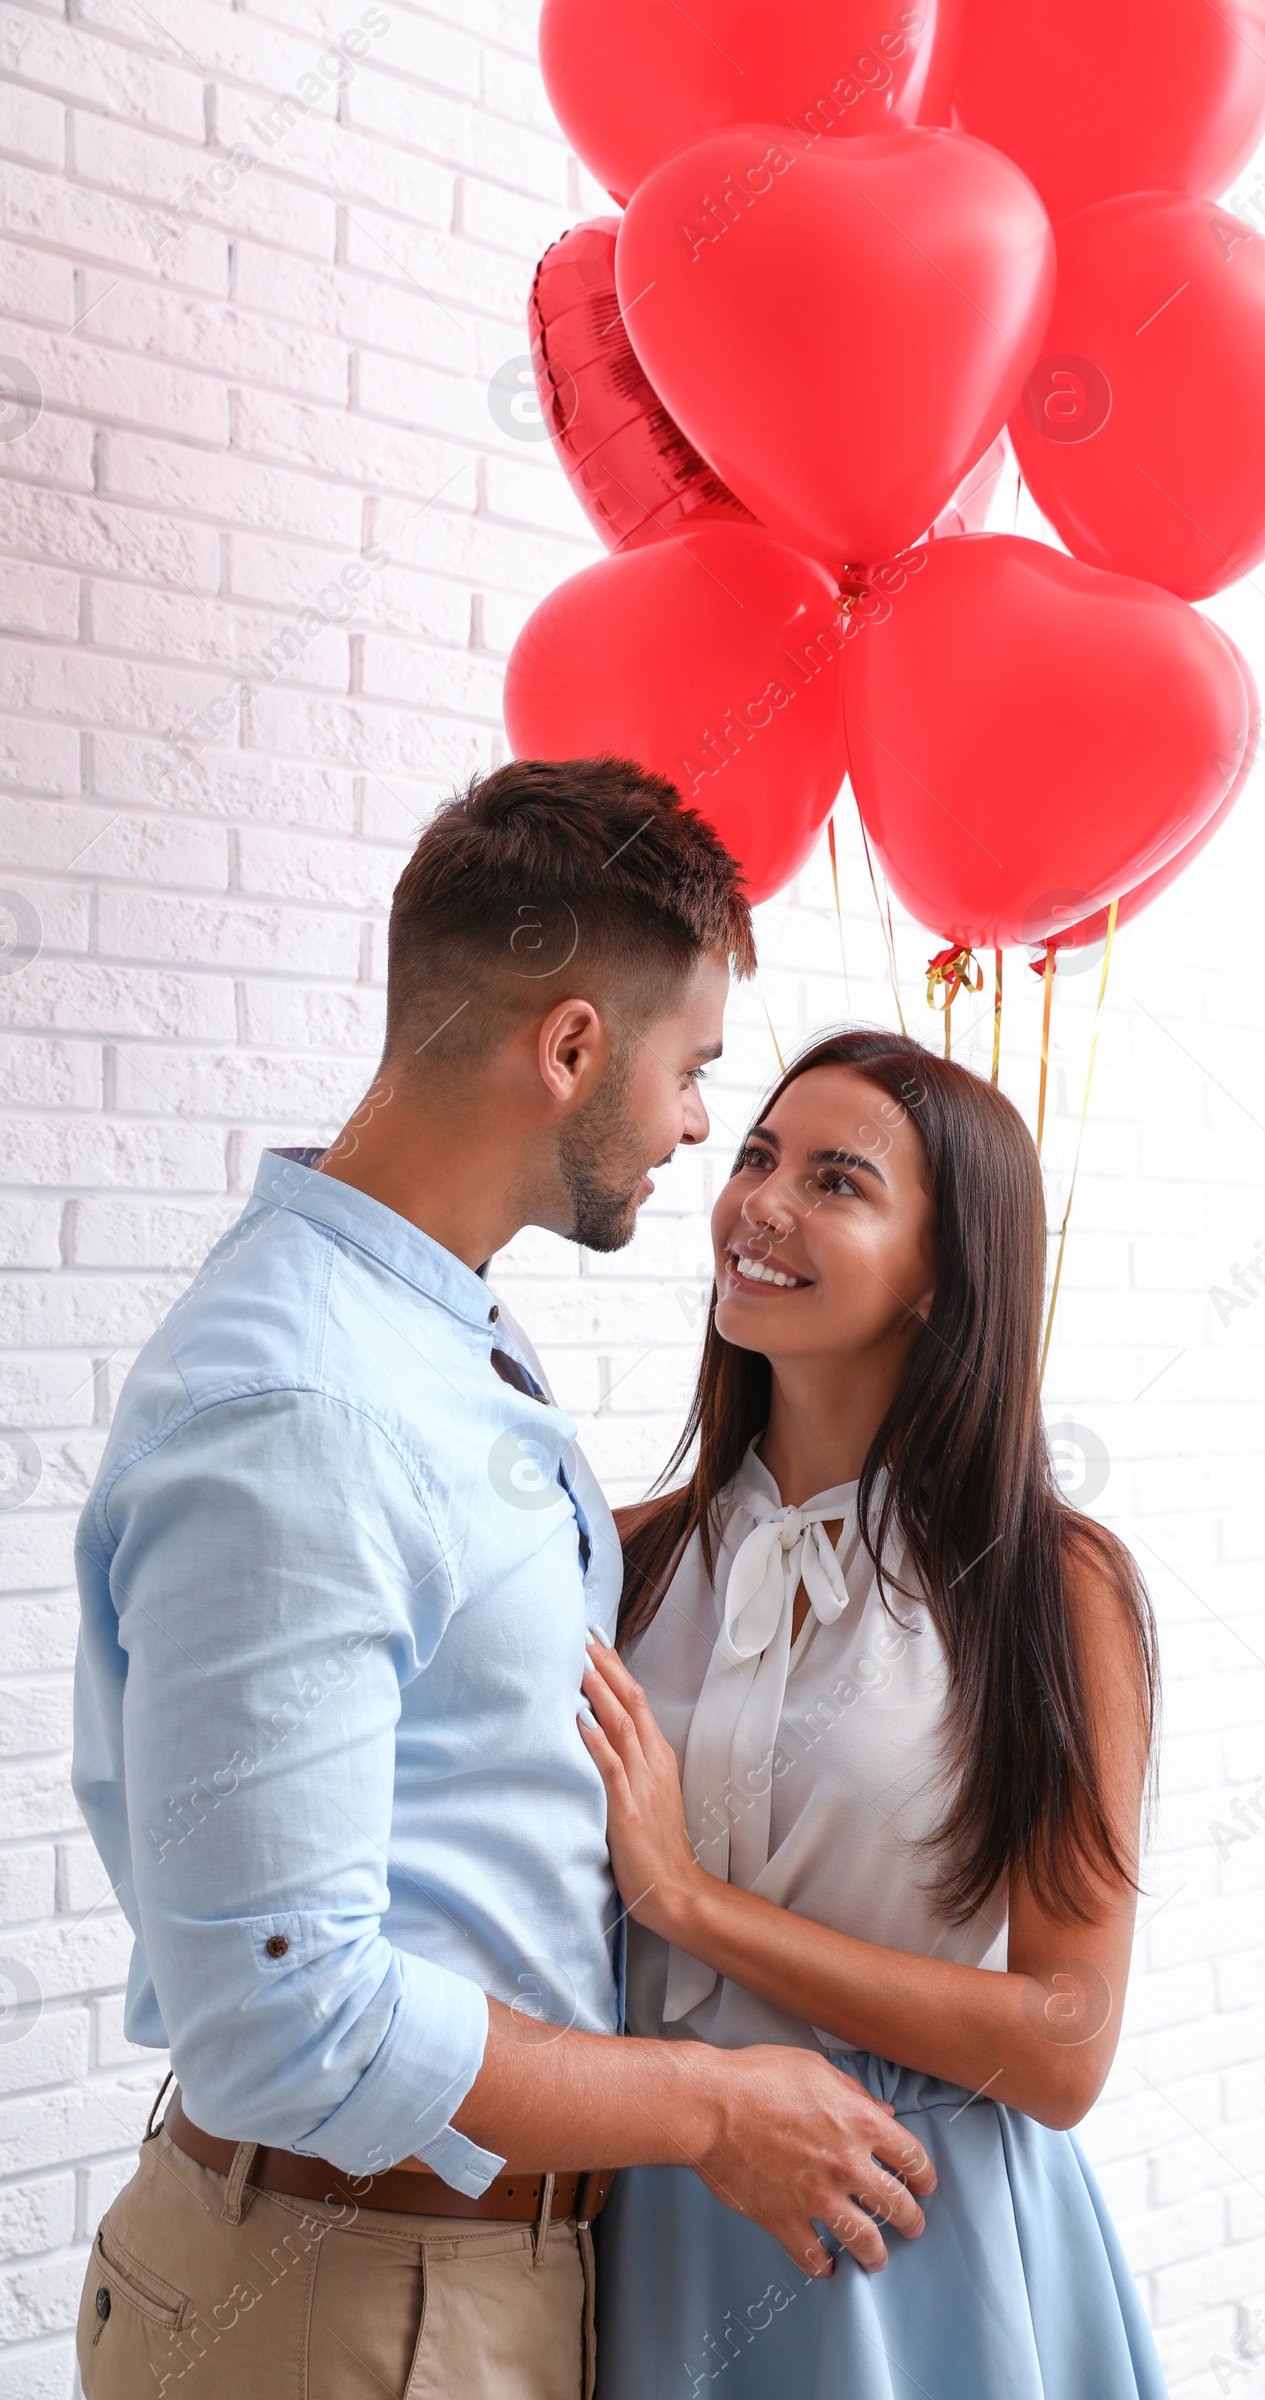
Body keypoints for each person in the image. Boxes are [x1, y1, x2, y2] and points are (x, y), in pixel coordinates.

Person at [70, 763, 933, 2400]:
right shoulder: (314, 1407)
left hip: (442, 2283)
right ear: (572, 1050)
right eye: (691, 1075)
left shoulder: (423, 1323)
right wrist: (715, 2103)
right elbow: (284, 2018)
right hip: (352, 2312)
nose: (697, 1130)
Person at [579, 1029, 1170, 2398]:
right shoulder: (622, 1558)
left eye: (838, 1182)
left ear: (941, 1278)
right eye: (756, 1156)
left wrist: (691, 1899)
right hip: (660, 2202)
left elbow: (1066, 2043)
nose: (762, 1206)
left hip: (915, 2224)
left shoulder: (1053, 1590)